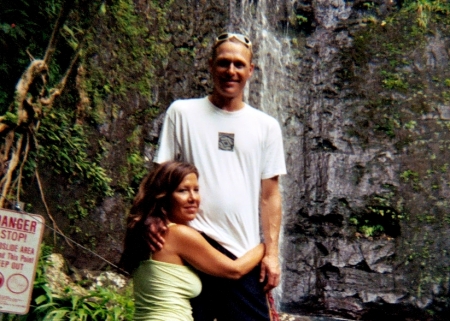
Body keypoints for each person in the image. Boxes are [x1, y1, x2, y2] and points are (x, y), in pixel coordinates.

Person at [150, 32, 286, 321]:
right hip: (191, 248)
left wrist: (271, 254)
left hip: (242, 253)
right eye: (224, 63)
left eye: (239, 64)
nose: (231, 71)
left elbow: (270, 195)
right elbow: (159, 176)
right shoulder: (182, 113)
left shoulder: (266, 126)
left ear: (251, 70)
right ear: (211, 65)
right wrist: (153, 215)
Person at [120, 161, 265, 321]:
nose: (193, 198)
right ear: (164, 195)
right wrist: (266, 248)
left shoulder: (143, 232)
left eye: (196, 190)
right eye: (182, 191)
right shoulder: (179, 234)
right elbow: (235, 270)